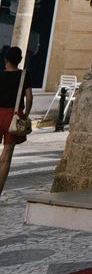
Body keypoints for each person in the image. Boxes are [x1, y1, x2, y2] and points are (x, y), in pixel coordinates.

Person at [0, 46, 32, 195]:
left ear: (6, 60)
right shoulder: (24, 75)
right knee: (6, 157)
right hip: (14, 116)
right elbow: (29, 98)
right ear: (20, 60)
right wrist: (25, 114)